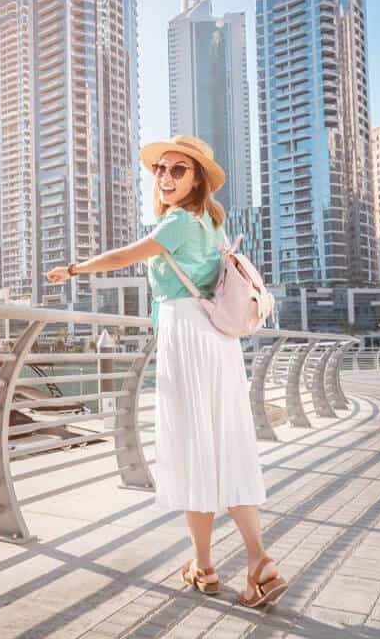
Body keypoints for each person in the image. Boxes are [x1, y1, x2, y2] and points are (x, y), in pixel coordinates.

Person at [45, 135, 285, 608]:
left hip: (190, 339)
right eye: (160, 169)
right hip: (216, 342)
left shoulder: (178, 220)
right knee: (223, 447)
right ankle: (239, 563)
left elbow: (126, 256)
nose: (166, 177)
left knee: (195, 448)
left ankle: (223, 563)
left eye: (178, 170)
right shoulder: (210, 221)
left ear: (196, 180)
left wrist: (73, 269)